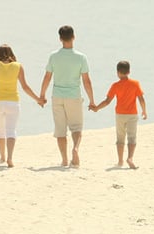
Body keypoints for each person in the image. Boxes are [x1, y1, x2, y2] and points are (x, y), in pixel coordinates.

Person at [39, 25, 96, 168]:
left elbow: (47, 77)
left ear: (60, 39)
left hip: (57, 96)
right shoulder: (81, 57)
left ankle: (64, 160)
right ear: (73, 37)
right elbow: (86, 81)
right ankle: (75, 150)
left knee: (60, 130)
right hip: (74, 96)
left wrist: (42, 95)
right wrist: (92, 100)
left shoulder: (53, 56)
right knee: (76, 128)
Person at [0, 44, 44, 168]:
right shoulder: (18, 66)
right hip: (12, 102)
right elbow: (25, 87)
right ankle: (10, 158)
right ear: (11, 54)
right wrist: (37, 99)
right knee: (11, 130)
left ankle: (2, 156)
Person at [91, 60, 147, 169]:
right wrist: (144, 111)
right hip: (132, 114)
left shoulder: (115, 86)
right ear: (129, 71)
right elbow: (141, 99)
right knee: (132, 138)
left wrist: (97, 108)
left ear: (118, 72)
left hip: (120, 115)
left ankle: (120, 161)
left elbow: (107, 101)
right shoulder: (135, 84)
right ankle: (130, 158)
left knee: (120, 138)